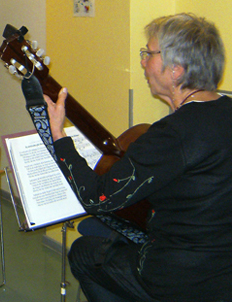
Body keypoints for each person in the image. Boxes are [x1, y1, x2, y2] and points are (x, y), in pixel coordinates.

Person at [43, 13, 232, 302]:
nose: (143, 62)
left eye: (149, 54)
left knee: (83, 253)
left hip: (184, 279)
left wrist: (59, 135)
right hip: (223, 270)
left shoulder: (173, 134)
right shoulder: (225, 110)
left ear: (176, 71)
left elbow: (96, 197)